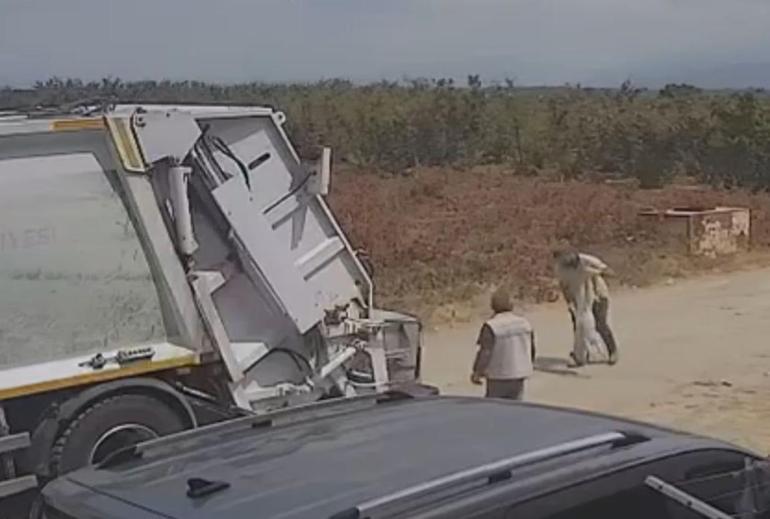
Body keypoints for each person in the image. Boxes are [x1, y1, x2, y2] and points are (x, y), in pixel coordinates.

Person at [553, 250, 618, 366]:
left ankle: (612, 351)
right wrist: (569, 303)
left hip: (598, 294)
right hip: (578, 298)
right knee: (579, 325)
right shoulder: (560, 268)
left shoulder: (587, 261)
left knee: (600, 324)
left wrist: (596, 272)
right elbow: (564, 285)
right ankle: (581, 355)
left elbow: (609, 271)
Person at [471, 288, 535, 400]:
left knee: (494, 409)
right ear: (511, 305)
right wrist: (528, 364)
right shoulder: (524, 323)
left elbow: (485, 352)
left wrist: (477, 372)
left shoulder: (491, 326)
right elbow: (532, 348)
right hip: (519, 374)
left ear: (493, 306)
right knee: (515, 408)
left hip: (498, 376)